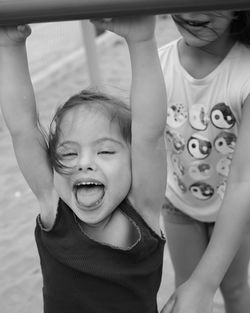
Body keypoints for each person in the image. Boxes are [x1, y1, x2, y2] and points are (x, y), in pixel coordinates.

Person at [0, 16, 167, 313]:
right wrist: (9, 45)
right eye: (68, 154)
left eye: (105, 152)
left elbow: (149, 135)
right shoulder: (54, 206)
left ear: (133, 162)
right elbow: (23, 128)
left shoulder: (142, 208)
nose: (84, 164)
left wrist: (141, 41)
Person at [158, 10, 250, 313]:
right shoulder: (159, 63)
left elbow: (243, 179)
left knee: (234, 288)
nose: (191, 10)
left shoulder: (245, 71)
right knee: (187, 288)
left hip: (234, 206)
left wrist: (205, 283)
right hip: (179, 203)